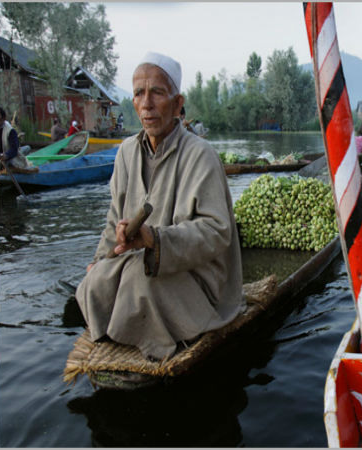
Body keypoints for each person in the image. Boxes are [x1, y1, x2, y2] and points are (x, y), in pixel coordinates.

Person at [75, 51, 244, 361]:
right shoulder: (126, 152)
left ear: (177, 104)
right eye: (139, 93)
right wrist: (100, 259)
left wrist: (155, 239)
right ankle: (120, 333)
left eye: (157, 93)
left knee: (140, 283)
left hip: (196, 275)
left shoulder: (201, 155)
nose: (146, 103)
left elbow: (216, 231)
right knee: (94, 281)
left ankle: (153, 343)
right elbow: (115, 217)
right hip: (141, 262)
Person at [0, 105, 32, 171]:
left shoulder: (10, 131)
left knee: (26, 148)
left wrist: (5, 156)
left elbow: (14, 149)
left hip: (10, 157)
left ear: (3, 117)